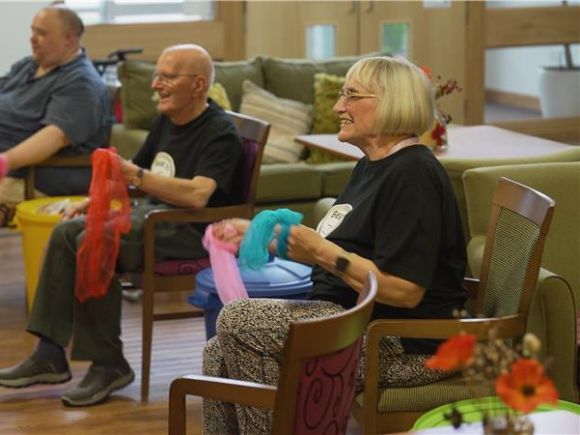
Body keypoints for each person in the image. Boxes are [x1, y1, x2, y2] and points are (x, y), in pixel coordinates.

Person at [202, 56, 468, 434]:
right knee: (218, 350)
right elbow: (341, 249)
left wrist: (321, 250)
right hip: (351, 322)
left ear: (391, 101)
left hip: (401, 342)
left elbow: (405, 291)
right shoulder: (372, 165)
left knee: (239, 320)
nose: (337, 107)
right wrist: (262, 236)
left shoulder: (413, 175)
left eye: (350, 95)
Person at [0, 44, 243, 407]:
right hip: (156, 218)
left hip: (194, 231)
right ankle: (49, 352)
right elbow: (129, 175)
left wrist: (137, 177)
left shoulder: (220, 131)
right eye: (156, 75)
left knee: (94, 238)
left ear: (198, 84)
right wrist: (93, 198)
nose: (156, 85)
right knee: (68, 230)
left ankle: (109, 363)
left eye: (167, 77)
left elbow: (197, 195)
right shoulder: (167, 120)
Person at [0, 3, 112, 226]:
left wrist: (5, 162)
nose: (32, 38)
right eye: (32, 30)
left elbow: (55, 136)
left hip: (30, 176)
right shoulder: (29, 65)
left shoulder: (81, 83)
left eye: (41, 33)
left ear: (69, 39)